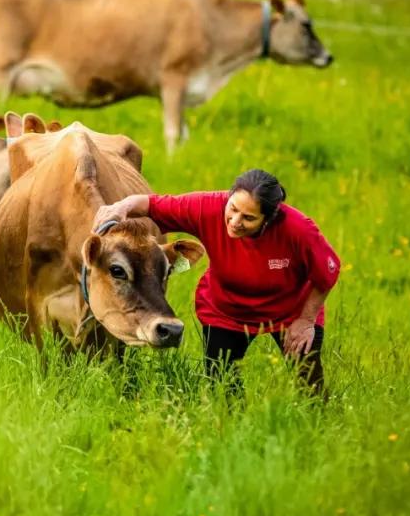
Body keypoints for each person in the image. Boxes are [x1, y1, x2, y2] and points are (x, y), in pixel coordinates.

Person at [94, 169, 340, 397]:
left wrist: (306, 320)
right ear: (229, 197)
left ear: (268, 220)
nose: (234, 221)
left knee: (311, 388)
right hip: (227, 311)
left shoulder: (298, 229)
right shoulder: (208, 207)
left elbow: (328, 271)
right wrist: (121, 207)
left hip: (290, 312)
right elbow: (153, 204)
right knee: (222, 388)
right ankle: (232, 433)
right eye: (232, 208)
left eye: (248, 218)